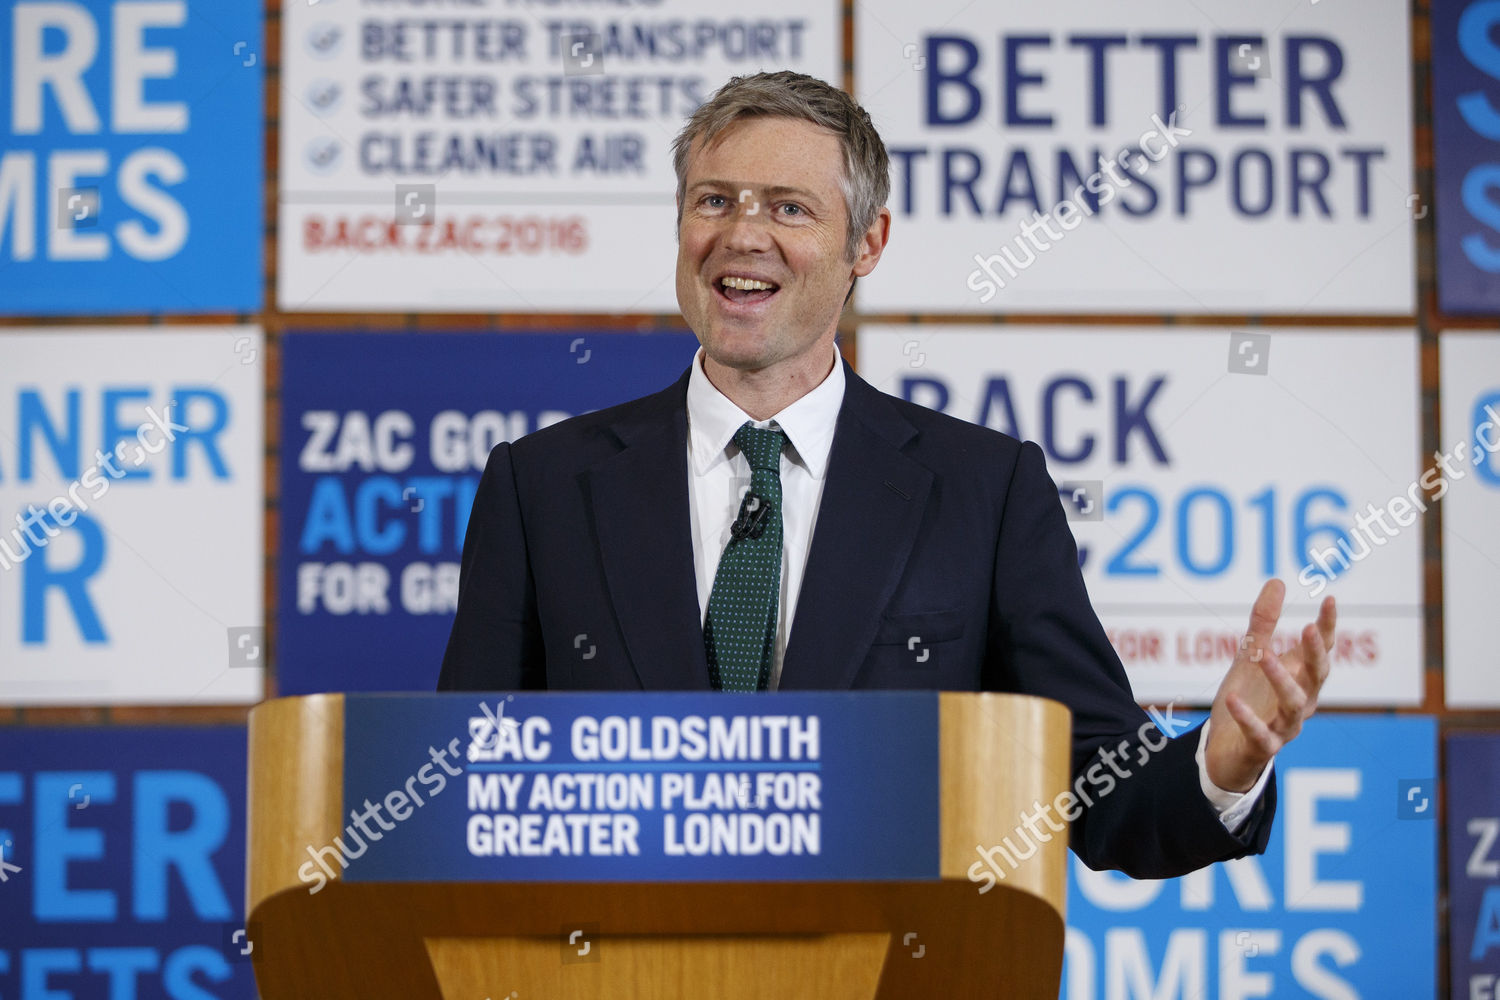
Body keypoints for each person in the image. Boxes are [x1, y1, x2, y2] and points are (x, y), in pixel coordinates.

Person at [438, 70, 1337, 879]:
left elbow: (1103, 800)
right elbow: (459, 790)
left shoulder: (984, 491)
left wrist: (1223, 764)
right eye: (714, 200)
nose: (741, 234)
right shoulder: (542, 486)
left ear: (866, 243)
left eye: (789, 208)